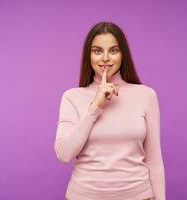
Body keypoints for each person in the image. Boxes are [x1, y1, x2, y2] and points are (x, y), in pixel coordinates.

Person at [54, 21, 166, 200]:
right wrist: (95, 107)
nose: (105, 58)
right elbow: (64, 154)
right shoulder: (72, 97)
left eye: (113, 50)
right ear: (88, 55)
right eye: (98, 51)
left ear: (123, 55)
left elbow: (154, 159)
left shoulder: (146, 95)